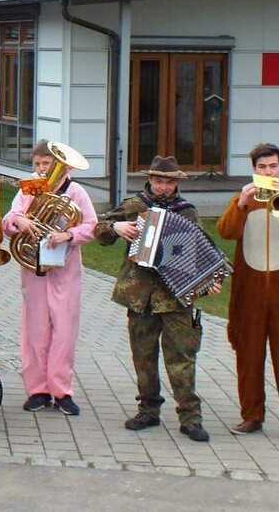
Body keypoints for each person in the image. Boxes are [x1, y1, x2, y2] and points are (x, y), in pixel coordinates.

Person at [94, 155, 216, 442]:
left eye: (169, 182)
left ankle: (190, 417)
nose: (163, 187)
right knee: (143, 357)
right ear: (150, 180)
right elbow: (99, 231)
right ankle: (148, 410)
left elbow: (202, 251)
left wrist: (209, 280)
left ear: (176, 184)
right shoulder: (135, 206)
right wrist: (115, 228)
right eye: (159, 181)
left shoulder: (187, 212)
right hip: (140, 297)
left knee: (182, 357)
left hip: (175, 298)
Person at [217, 143, 279, 444]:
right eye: (262, 167)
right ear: (254, 170)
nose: (268, 171)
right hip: (250, 292)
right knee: (248, 356)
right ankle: (252, 416)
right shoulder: (243, 200)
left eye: (273, 166)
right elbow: (225, 232)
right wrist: (240, 205)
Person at [1, 140, 95, 416]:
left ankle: (61, 391)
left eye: (47, 164)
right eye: (38, 164)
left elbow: (91, 226)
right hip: (34, 268)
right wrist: (19, 221)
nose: (42, 169)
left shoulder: (76, 192)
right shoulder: (30, 187)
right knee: (36, 330)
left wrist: (68, 234)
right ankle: (38, 390)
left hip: (65, 268)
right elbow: (9, 219)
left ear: (62, 167)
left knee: (64, 331)